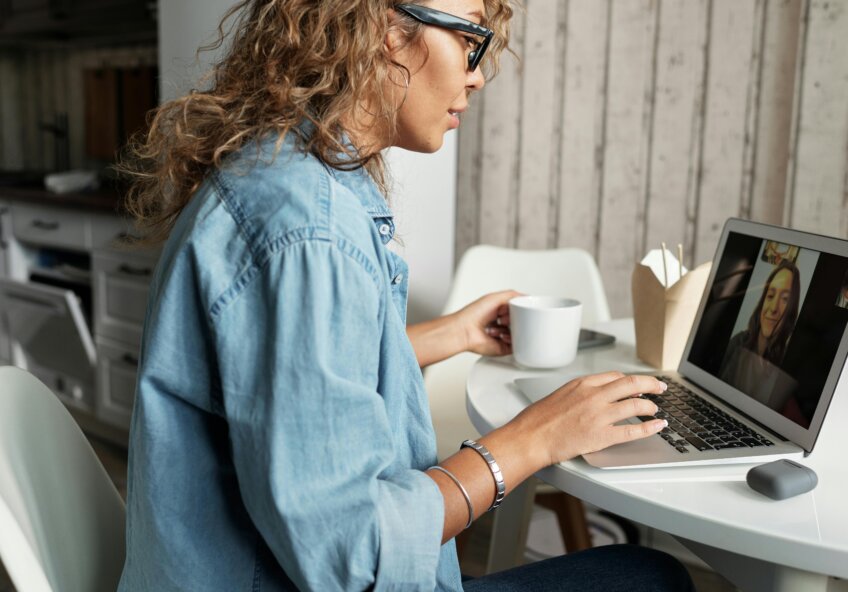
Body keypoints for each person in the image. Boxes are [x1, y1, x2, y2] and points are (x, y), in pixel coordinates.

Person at [117, 1, 693, 590]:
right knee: (652, 579)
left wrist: (455, 333)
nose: (476, 73)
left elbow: (295, 387)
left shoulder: (287, 175)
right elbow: (355, 556)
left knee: (647, 574)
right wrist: (535, 438)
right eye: (472, 39)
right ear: (385, 30)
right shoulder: (309, 232)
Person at [719, 260, 801, 410]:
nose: (773, 308)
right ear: (763, 300)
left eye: (785, 299)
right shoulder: (737, 343)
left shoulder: (787, 365)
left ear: (792, 310)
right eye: (770, 295)